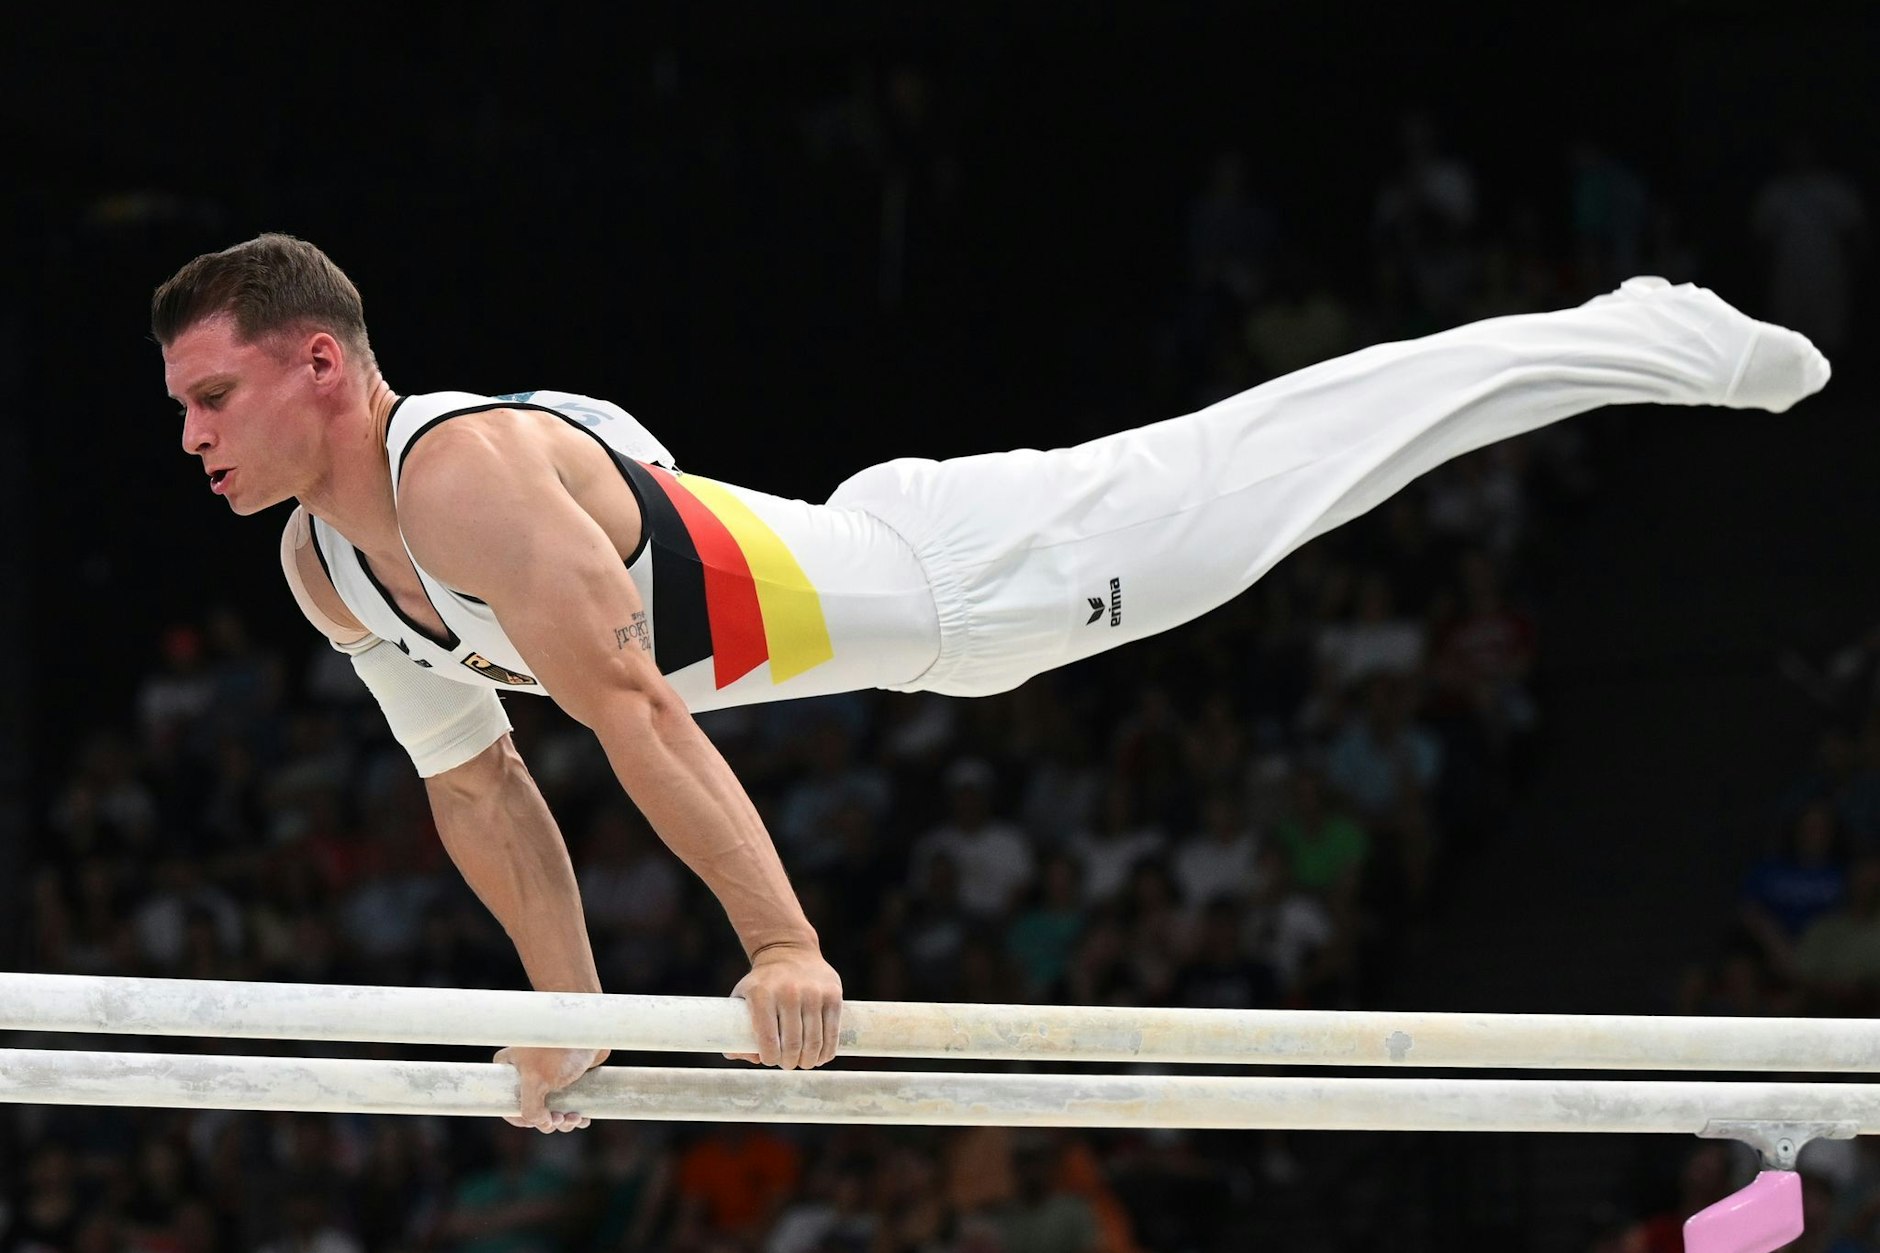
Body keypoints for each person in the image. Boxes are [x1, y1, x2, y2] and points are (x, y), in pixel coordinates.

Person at [153, 234, 1830, 1132]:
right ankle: (1626, 333)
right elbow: (479, 784)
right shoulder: (325, 568)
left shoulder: (465, 475)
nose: (193, 440)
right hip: (900, 590)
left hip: (978, 580)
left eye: (215, 396)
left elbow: (635, 714)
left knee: (1307, 457)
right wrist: (566, 1021)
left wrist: (783, 943)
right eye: (179, 411)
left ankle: (1639, 329)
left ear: (323, 360)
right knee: (1303, 469)